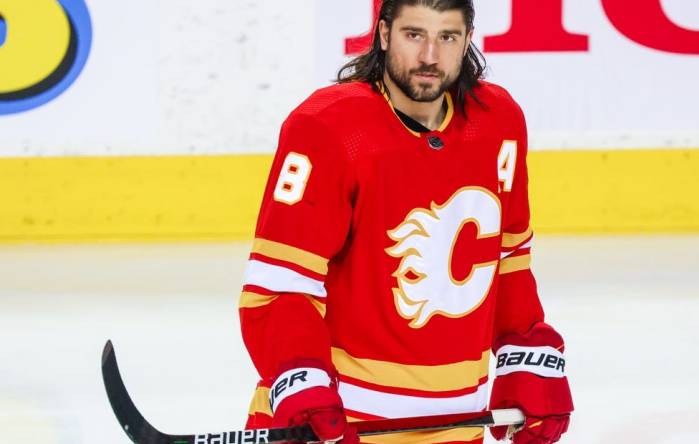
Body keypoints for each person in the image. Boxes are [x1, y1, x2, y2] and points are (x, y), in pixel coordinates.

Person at [238, 1, 573, 442]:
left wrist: (527, 354)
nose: (430, 56)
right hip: (338, 424)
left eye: (447, 37)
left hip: (459, 426)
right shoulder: (329, 129)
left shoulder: (499, 124)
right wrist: (302, 382)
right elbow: (281, 288)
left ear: (468, 40)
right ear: (383, 35)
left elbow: (507, 261)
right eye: (414, 35)